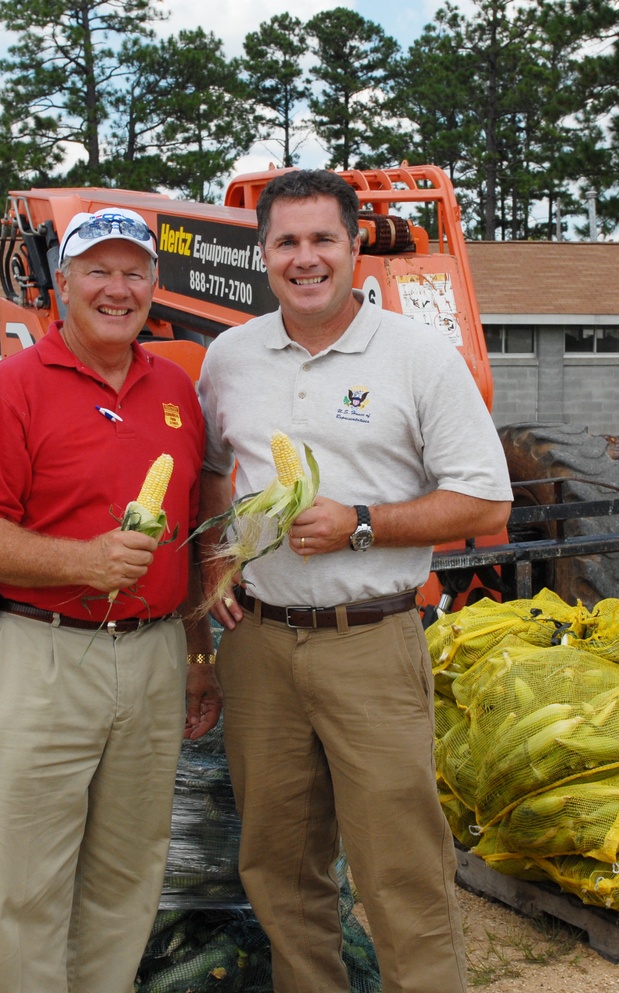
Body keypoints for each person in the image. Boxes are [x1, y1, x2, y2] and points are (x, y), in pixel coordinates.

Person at [196, 170, 512, 993]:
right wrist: (213, 561)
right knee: (279, 869)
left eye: (322, 239)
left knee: (400, 873)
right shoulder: (229, 358)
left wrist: (362, 521)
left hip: (369, 641)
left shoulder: (417, 355)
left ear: (354, 246)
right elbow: (206, 471)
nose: (306, 259)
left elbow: (484, 494)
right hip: (259, 646)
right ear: (262, 253)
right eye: (287, 242)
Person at [0, 207, 222, 993]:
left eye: (134, 271)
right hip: (41, 658)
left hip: (154, 659)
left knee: (125, 883)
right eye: (97, 270)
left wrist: (200, 654)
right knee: (25, 891)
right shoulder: (11, 389)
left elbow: (195, 532)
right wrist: (84, 558)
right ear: (62, 283)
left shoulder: (177, 389)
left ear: (155, 287)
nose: (117, 288)